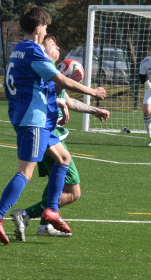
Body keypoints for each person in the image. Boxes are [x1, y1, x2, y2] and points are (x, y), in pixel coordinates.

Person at [0, 5, 106, 244]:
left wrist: (62, 104)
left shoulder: (18, 49)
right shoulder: (32, 51)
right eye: (47, 29)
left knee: (63, 159)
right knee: (25, 172)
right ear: (39, 30)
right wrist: (92, 91)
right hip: (33, 119)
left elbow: (47, 86)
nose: (47, 34)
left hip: (31, 116)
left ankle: (51, 209)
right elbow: (60, 80)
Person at [10, 34, 111, 241]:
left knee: (55, 185)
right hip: (47, 134)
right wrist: (89, 92)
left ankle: (45, 225)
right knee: (73, 191)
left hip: (48, 134)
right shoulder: (46, 72)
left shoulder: (48, 72)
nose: (57, 47)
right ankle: (25, 214)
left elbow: (68, 101)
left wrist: (93, 110)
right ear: (43, 49)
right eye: (52, 43)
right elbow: (54, 93)